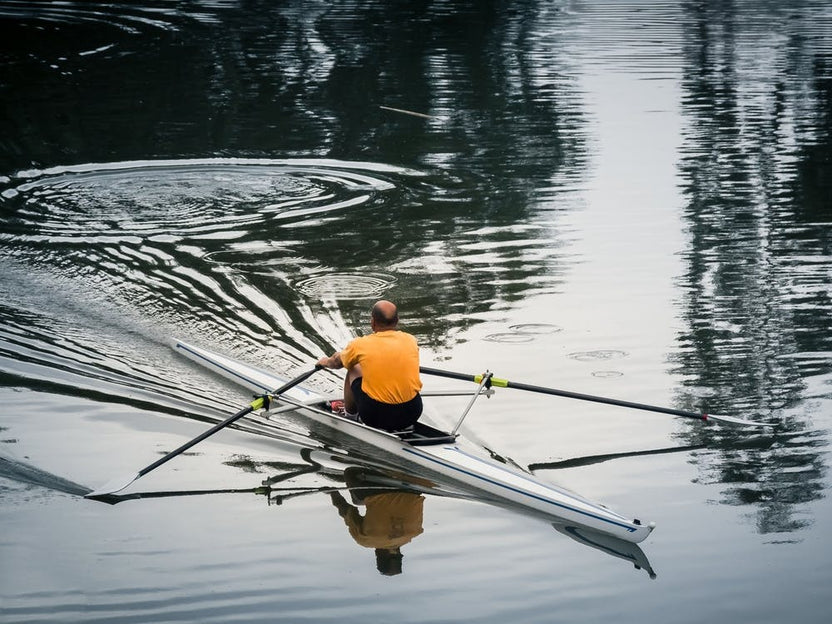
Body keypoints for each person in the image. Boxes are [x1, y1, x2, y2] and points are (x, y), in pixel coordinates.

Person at [316, 300, 422, 432]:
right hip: (412, 413)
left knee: (354, 367)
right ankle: (402, 423)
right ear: (397, 320)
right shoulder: (411, 340)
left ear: (372, 322)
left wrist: (324, 362)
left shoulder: (360, 344)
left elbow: (337, 363)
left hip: (375, 416)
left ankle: (350, 416)